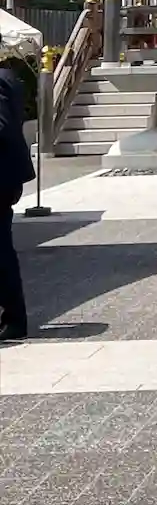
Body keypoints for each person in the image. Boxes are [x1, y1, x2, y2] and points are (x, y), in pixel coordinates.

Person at [0, 58, 34, 342]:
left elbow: (2, 127)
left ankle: (13, 318)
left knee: (1, 252)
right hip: (6, 177)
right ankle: (13, 317)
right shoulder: (8, 77)